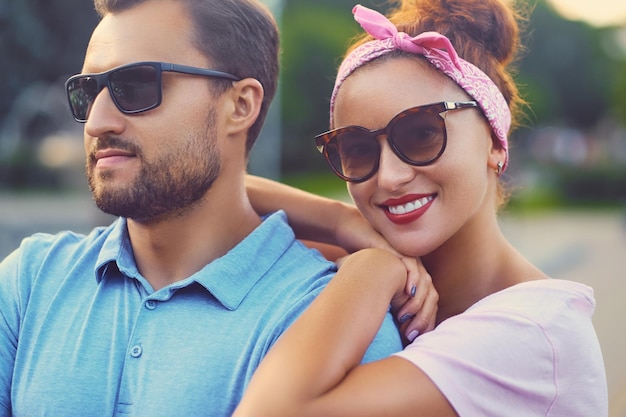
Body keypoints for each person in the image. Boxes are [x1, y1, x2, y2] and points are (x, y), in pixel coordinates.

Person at [0, 0, 433, 415]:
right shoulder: (31, 281)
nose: (97, 121)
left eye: (134, 86)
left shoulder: (327, 319)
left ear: (241, 105)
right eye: (87, 91)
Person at [235, 1, 609, 416]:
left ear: (494, 141)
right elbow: (214, 198)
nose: (390, 177)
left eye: (422, 133)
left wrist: (375, 267)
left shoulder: (534, 334)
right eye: (356, 149)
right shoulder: (358, 258)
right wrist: (343, 223)